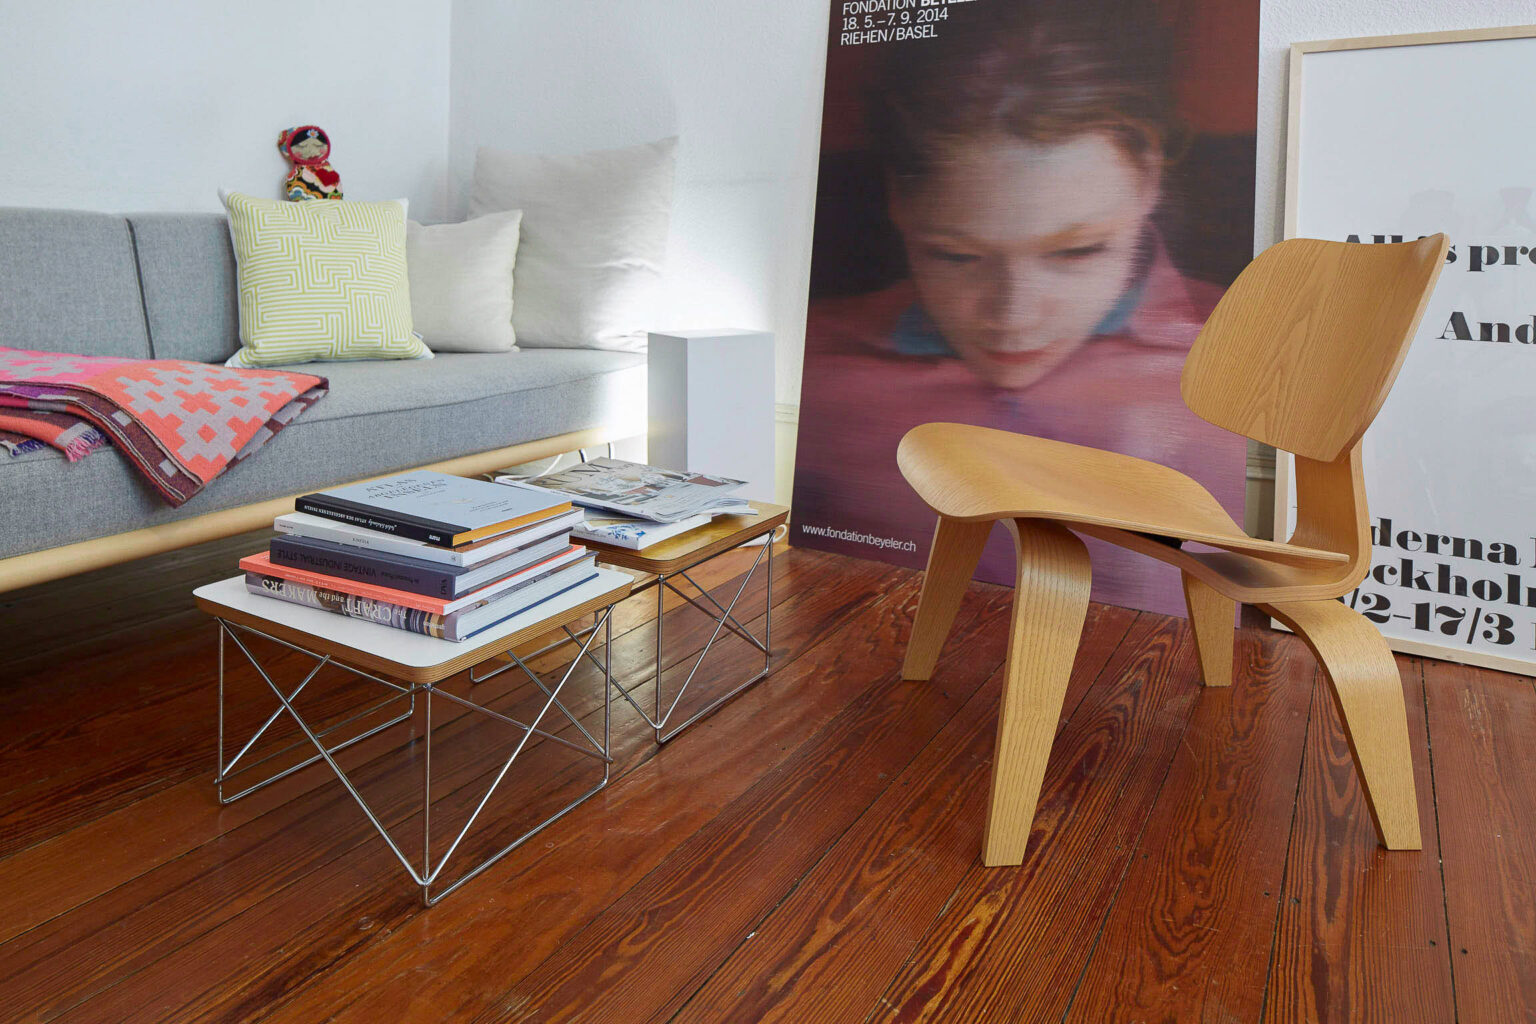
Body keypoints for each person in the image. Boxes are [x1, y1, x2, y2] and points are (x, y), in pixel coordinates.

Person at [792, 0, 1248, 616]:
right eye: (954, 255)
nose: (1012, 317)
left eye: (1077, 251)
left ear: (1149, 179)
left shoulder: (1240, 364)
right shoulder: (817, 361)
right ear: (898, 199)